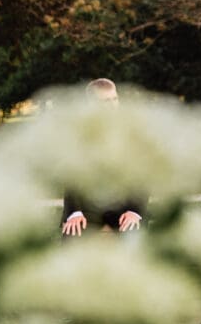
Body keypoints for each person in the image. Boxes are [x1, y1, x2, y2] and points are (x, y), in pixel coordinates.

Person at [60, 78, 143, 237]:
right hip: (87, 211)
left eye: (115, 99)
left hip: (123, 210)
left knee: (133, 239)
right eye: (105, 101)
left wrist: (134, 211)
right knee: (73, 235)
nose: (112, 106)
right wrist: (75, 213)